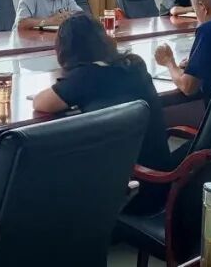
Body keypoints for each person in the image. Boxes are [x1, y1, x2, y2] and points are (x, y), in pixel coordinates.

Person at [33, 13, 171, 171]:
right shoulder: (134, 63)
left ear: (65, 49)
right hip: (158, 168)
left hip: (130, 175)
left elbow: (40, 102)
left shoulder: (85, 76)